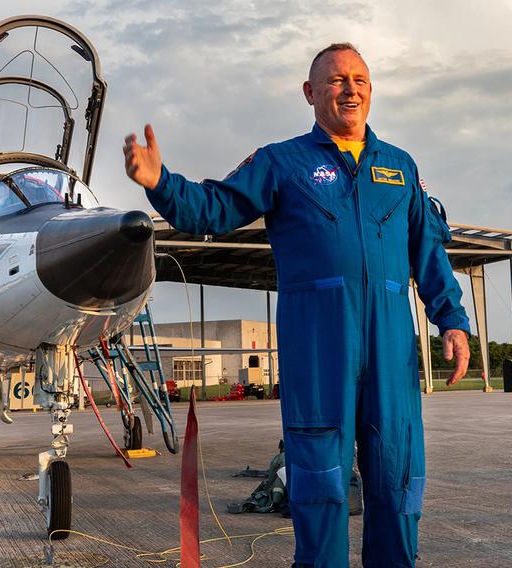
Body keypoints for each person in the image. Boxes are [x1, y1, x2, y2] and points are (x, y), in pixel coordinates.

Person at [124, 43, 470, 567]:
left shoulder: (400, 166)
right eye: (335, 80)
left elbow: (427, 249)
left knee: (397, 478)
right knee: (318, 482)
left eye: (359, 79)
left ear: (371, 90)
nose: (349, 89)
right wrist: (161, 184)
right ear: (310, 93)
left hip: (391, 351)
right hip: (318, 352)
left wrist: (452, 319)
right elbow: (214, 208)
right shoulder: (282, 162)